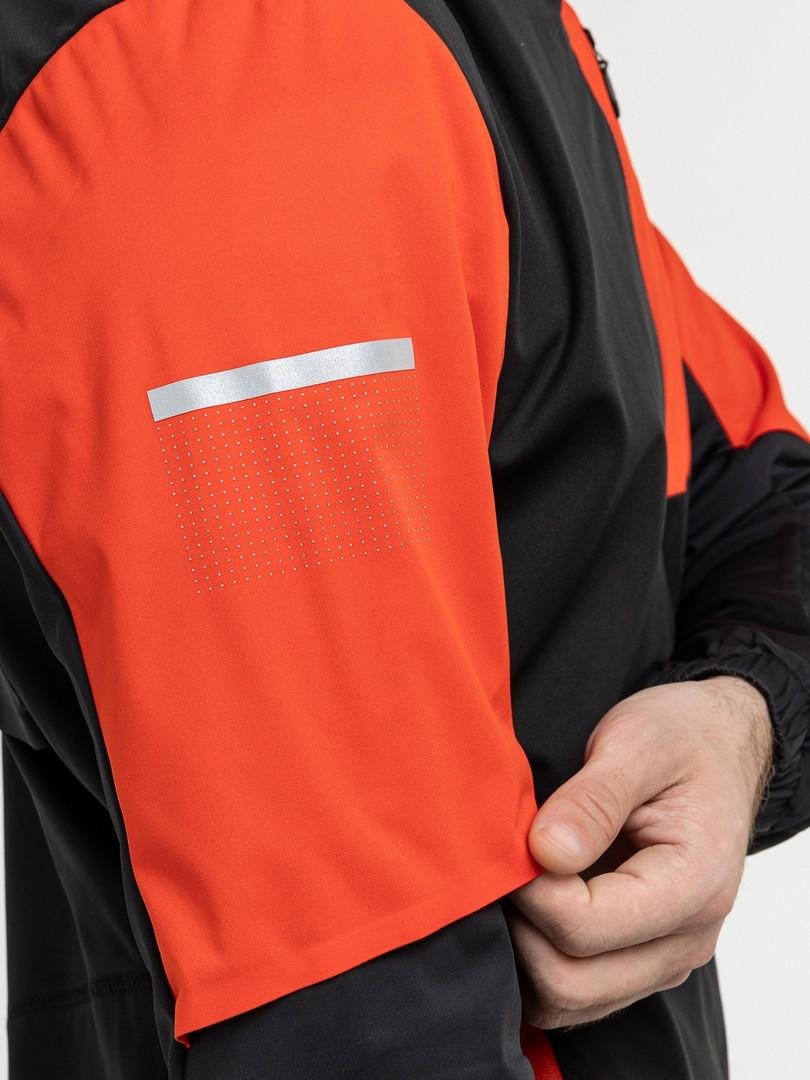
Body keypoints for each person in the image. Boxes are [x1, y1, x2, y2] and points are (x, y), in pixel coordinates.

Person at [0, 1, 807, 1078]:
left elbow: (758, 495)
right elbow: (357, 1017)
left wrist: (739, 718)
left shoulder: (492, 32)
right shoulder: (212, 86)